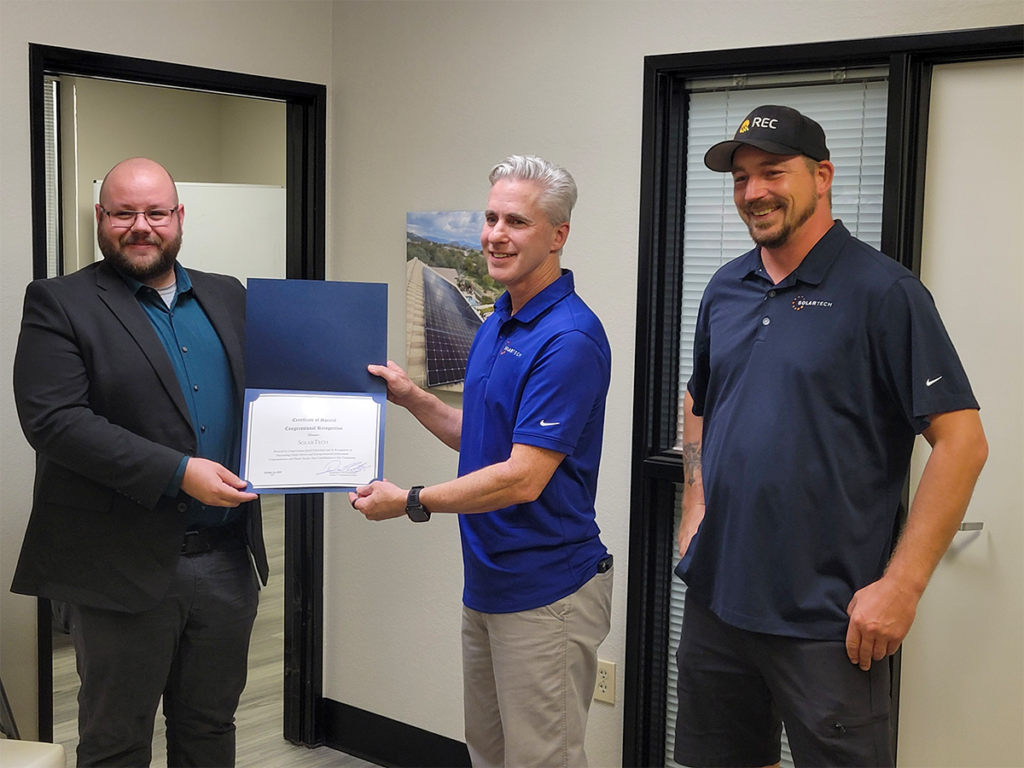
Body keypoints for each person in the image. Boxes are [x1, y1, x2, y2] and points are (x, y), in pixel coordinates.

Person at [673, 105, 988, 768]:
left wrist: (900, 587)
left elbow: (963, 444)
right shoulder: (727, 287)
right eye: (741, 178)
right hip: (718, 605)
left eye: (772, 172)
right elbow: (699, 401)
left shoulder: (884, 292)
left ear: (822, 176)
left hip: (828, 624)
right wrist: (694, 505)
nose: (753, 191)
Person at [350, 155, 613, 768]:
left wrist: (410, 501)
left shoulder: (568, 339)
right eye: (490, 217)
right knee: (489, 754)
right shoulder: (499, 319)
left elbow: (523, 477)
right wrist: (411, 396)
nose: (495, 234)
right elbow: (485, 440)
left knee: (540, 760)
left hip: (546, 589)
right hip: (488, 582)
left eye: (516, 222)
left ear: (557, 235)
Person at [11, 157, 267, 768]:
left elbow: (275, 392)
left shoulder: (228, 294)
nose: (141, 226)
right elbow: (54, 422)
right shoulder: (60, 302)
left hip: (228, 562)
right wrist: (179, 472)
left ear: (180, 218)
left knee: (209, 730)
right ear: (101, 219)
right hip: (120, 566)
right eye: (124, 212)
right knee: (116, 742)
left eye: (156, 212)